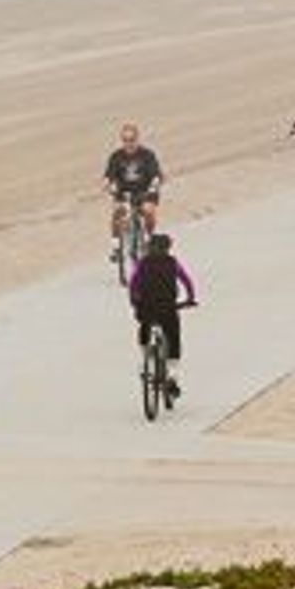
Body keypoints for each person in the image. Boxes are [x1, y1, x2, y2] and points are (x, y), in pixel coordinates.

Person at [127, 228, 197, 397]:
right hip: (168, 307)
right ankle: (172, 376)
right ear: (168, 248)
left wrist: (134, 301)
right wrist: (190, 298)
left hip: (146, 306)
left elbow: (133, 283)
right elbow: (186, 280)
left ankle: (145, 361)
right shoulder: (173, 262)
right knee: (173, 338)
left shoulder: (142, 263)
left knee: (144, 327)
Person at [102, 123, 165, 258]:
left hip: (145, 191)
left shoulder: (147, 155)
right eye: (125, 140)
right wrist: (108, 184)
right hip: (124, 193)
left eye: (131, 140)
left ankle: (148, 237)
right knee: (118, 213)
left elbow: (156, 174)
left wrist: (155, 184)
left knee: (148, 211)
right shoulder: (116, 156)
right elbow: (109, 175)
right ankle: (116, 246)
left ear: (137, 139)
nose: (128, 144)